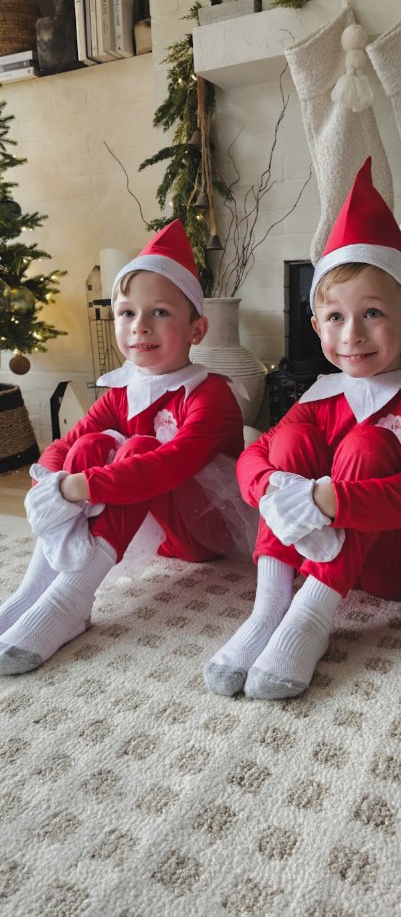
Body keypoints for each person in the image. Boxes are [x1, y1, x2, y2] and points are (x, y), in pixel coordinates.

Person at [204, 157, 401, 701]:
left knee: (370, 442)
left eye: (372, 313)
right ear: (316, 325)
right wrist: (276, 486)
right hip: (329, 551)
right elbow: (255, 458)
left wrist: (326, 499)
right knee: (290, 441)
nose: (352, 335)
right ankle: (270, 607)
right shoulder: (321, 395)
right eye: (335, 317)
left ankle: (311, 617)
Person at [0, 220, 249, 675]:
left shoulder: (210, 394)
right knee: (90, 444)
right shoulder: (122, 390)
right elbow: (64, 445)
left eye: (160, 312)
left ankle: (70, 601)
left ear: (196, 330)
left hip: (203, 532)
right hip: (149, 527)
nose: (140, 327)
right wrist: (51, 482)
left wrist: (75, 488)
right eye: (127, 313)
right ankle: (33, 590)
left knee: (139, 449)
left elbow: (170, 466)